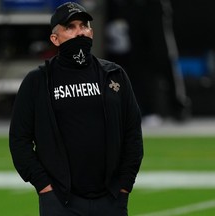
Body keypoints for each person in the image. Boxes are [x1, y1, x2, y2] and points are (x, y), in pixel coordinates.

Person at [9, 2, 143, 216]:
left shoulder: (114, 75)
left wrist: (124, 184)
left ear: (91, 32)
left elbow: (133, 133)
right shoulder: (38, 81)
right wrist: (44, 186)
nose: (79, 32)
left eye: (84, 25)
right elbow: (19, 139)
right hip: (60, 201)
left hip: (111, 200)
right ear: (55, 38)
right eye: (70, 27)